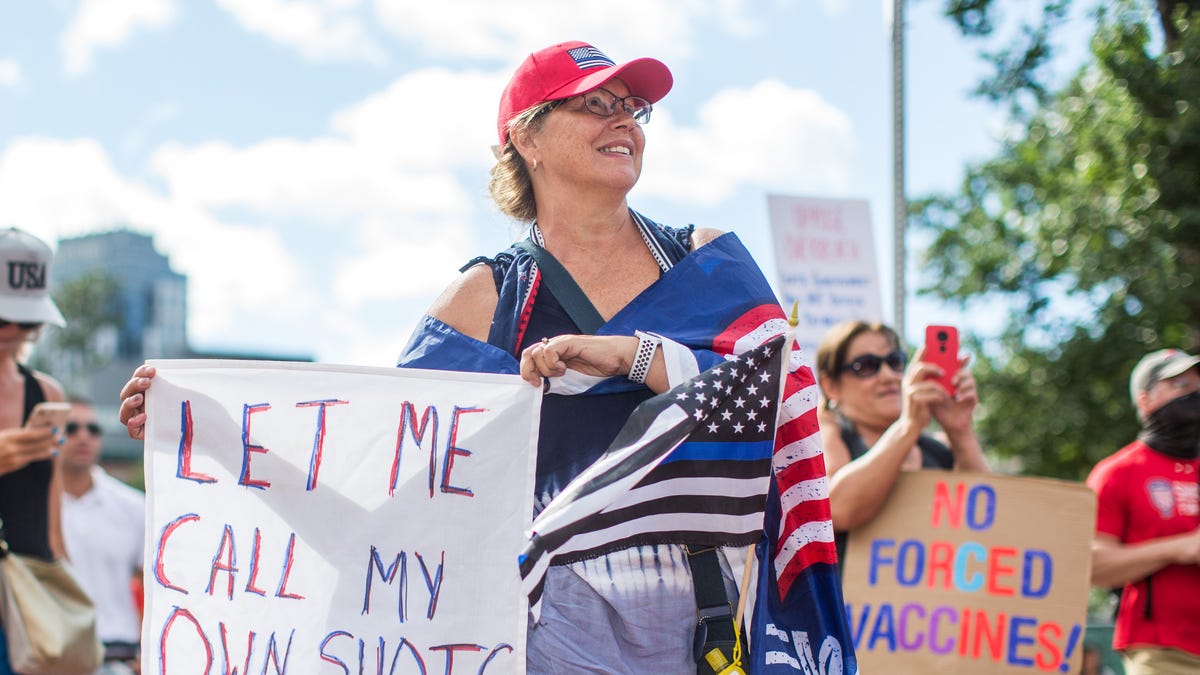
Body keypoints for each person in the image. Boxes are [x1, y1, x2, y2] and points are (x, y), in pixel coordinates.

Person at [120, 41, 793, 673]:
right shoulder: (487, 298)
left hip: (707, 627)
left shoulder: (704, 259)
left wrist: (635, 356)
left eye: (633, 107)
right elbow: (376, 464)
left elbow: (782, 411)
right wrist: (198, 427)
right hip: (547, 635)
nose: (625, 121)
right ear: (526, 137)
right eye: (595, 102)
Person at [814, 320, 989, 559]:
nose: (889, 376)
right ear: (831, 386)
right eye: (866, 366)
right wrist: (908, 426)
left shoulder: (937, 451)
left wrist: (961, 431)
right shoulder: (826, 436)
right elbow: (836, 510)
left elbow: (988, 520)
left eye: (895, 362)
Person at [1086, 348, 1200, 674]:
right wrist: (1180, 548)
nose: (1193, 396)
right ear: (1146, 400)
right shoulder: (1118, 472)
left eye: (1197, 387)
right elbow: (1093, 566)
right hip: (1164, 651)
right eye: (1180, 386)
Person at [0, 227, 70, 675]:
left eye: (26, 321)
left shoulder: (44, 391)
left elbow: (53, 513)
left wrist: (68, 588)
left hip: (31, 595)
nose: (12, 331)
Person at [60, 397, 144, 675]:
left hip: (119, 659)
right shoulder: (29, 507)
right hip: (50, 658)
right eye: (71, 428)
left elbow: (160, 582)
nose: (83, 436)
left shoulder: (132, 506)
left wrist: (155, 648)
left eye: (92, 429)